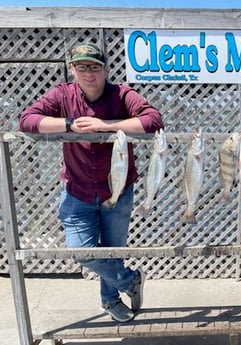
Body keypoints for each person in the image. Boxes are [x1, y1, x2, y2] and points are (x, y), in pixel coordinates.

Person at [20, 42, 164, 323]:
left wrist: (107, 126)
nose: (89, 73)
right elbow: (26, 120)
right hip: (78, 191)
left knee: (113, 249)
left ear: (105, 70)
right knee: (81, 252)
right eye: (82, 66)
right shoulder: (62, 94)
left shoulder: (122, 93)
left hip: (118, 190)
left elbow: (154, 120)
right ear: (72, 69)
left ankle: (110, 300)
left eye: (95, 67)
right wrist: (68, 124)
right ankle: (129, 281)